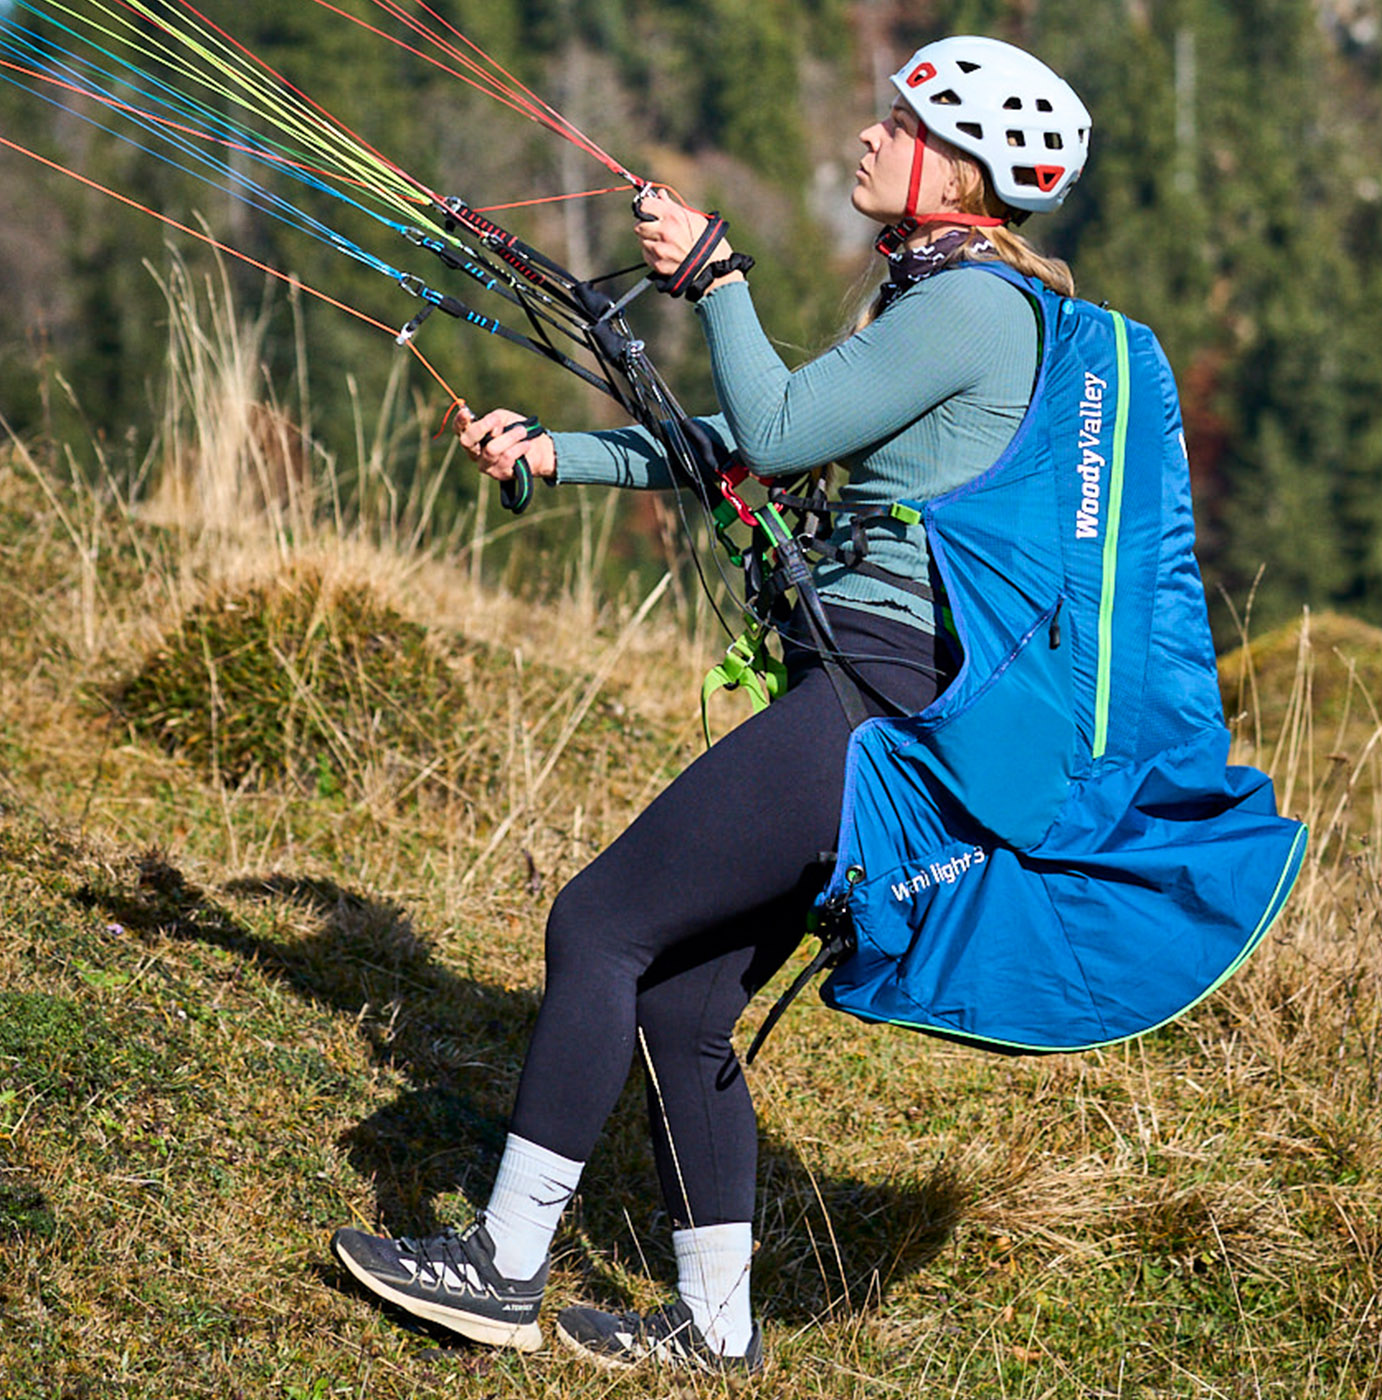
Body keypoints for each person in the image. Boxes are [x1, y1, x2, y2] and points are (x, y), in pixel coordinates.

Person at [332, 35, 1091, 1375]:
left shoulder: (978, 307)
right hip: (879, 703)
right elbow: (753, 442)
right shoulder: (945, 296)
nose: (872, 134)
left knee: (597, 924)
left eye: (903, 122)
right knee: (682, 1005)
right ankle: (714, 1326)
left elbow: (783, 430)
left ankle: (502, 1266)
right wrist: (555, 455)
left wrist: (720, 280)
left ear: (959, 171)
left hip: (874, 706)